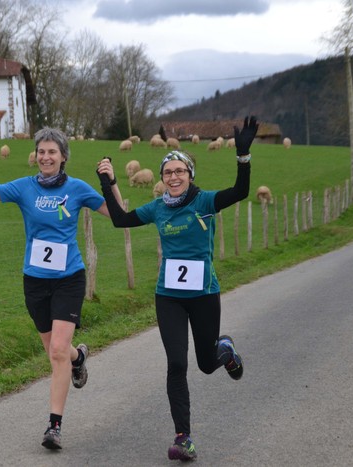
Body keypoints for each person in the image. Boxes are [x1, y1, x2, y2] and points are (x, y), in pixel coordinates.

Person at [96, 116, 259, 461]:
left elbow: (242, 192)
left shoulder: (204, 202)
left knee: (204, 363)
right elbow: (121, 219)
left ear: (189, 175)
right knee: (176, 364)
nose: (172, 177)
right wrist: (107, 182)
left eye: (179, 172)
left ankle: (224, 352)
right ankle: (183, 437)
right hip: (168, 296)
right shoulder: (157, 208)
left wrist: (242, 156)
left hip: (203, 295)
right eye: (167, 173)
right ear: (162, 178)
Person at [0, 124, 123, 450]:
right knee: (57, 352)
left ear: (63, 156)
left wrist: (111, 183)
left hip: (69, 278)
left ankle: (54, 426)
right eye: (41, 151)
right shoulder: (25, 188)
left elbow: (117, 214)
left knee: (55, 353)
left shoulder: (78, 188)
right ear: (35, 156)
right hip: (35, 281)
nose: (46, 156)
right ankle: (78, 358)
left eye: (52, 151)